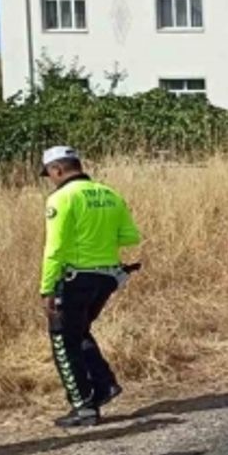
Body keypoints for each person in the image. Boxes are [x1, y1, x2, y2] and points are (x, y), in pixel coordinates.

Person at [41, 147, 141, 428]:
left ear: (57, 170)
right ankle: (104, 385)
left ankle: (83, 406)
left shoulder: (61, 198)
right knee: (80, 330)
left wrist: (47, 288)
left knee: (63, 339)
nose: (50, 179)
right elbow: (130, 236)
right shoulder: (110, 194)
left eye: (49, 174)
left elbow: (55, 248)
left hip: (75, 279)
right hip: (107, 277)